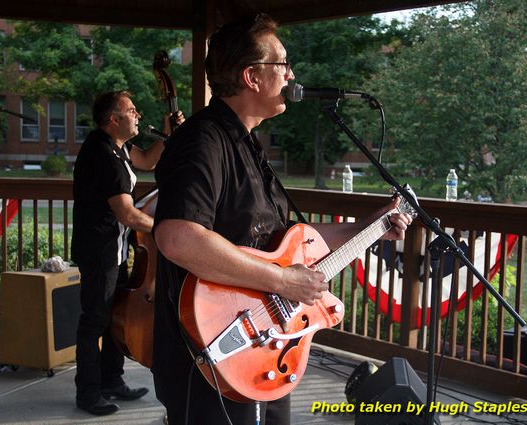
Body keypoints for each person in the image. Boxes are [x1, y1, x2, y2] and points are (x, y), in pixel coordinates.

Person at [151, 13, 412, 425]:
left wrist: (370, 226)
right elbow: (178, 238)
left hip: (265, 349)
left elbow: (288, 243)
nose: (291, 74)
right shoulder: (203, 141)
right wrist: (283, 281)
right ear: (252, 76)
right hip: (213, 353)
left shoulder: (248, 142)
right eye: (283, 64)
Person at [71, 90, 184, 416]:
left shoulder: (115, 147)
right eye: (131, 111)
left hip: (113, 249)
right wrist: (162, 227)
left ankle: (112, 381)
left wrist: (167, 133)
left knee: (110, 317)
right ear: (113, 120)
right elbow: (128, 214)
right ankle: (88, 393)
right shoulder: (104, 156)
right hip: (99, 251)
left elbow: (148, 160)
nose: (137, 115)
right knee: (94, 321)